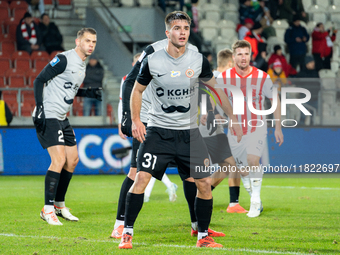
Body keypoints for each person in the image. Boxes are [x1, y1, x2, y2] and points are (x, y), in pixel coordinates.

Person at [118, 11, 242, 249]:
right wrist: (135, 120)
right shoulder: (153, 60)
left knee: (204, 183)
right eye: (177, 28)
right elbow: (136, 90)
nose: (182, 32)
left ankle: (202, 236)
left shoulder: (197, 59)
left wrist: (233, 117)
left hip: (189, 134)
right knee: (141, 178)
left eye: (185, 28)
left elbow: (216, 89)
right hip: (158, 132)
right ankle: (127, 232)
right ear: (168, 33)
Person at [32, 28, 102, 225]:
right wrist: (39, 109)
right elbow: (39, 80)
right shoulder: (63, 59)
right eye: (88, 41)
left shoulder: (82, 64)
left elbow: (65, 89)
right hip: (48, 114)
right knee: (59, 159)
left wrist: (86, 94)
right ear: (78, 41)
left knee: (72, 160)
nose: (91, 45)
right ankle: (47, 209)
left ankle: (59, 206)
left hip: (62, 117)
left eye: (94, 42)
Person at [114, 53, 178, 241]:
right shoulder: (129, 79)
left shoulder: (158, 74)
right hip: (142, 126)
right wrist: (124, 122)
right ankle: (119, 224)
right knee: (136, 172)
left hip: (162, 127)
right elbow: (123, 101)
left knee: (187, 171)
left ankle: (197, 225)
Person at [217, 40, 284, 218]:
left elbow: (275, 100)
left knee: (253, 160)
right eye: (240, 54)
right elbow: (215, 98)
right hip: (235, 130)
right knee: (243, 169)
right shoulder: (224, 78)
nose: (243, 57)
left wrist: (278, 126)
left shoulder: (262, 77)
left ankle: (255, 201)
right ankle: (254, 196)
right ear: (234, 57)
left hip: (257, 126)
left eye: (246, 54)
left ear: (250, 56)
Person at [199, 48, 248, 214]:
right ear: (229, 64)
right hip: (208, 128)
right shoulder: (218, 78)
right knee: (231, 164)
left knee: (227, 165)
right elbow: (208, 96)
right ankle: (229, 202)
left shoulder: (216, 77)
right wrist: (212, 112)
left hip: (213, 128)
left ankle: (205, 195)